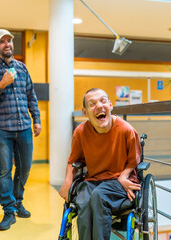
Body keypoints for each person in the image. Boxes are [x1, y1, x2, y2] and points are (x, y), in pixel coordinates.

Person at [0, 29, 41, 231]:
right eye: (2, 42)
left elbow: (31, 96)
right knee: (4, 171)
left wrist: (36, 119)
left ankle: (17, 201)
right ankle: (8, 210)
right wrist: (1, 85)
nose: (7, 44)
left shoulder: (22, 68)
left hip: (23, 127)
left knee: (25, 168)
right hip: (0, 129)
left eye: (10, 41)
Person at [58, 88, 141, 240]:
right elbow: (73, 161)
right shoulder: (81, 132)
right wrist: (67, 182)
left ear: (110, 105)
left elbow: (134, 161)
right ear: (85, 112)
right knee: (83, 199)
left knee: (99, 196)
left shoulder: (126, 130)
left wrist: (123, 177)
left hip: (119, 183)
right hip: (93, 180)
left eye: (103, 101)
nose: (99, 106)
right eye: (92, 104)